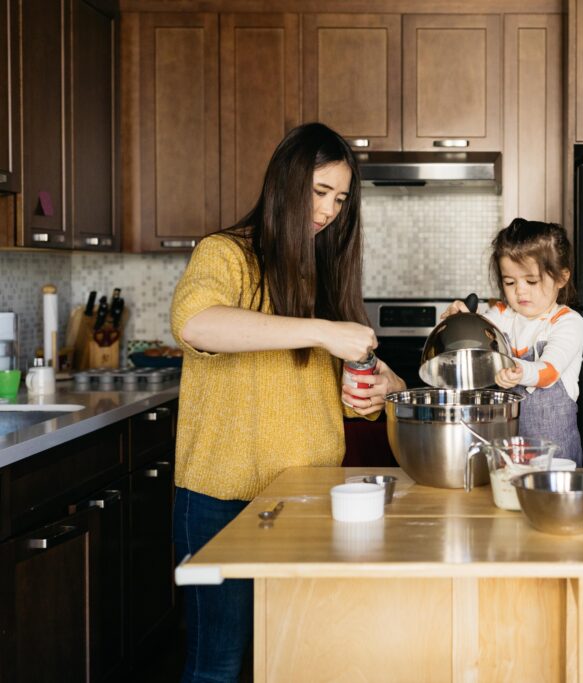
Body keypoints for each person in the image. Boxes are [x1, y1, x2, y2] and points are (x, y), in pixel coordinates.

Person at [170, 122, 405, 683]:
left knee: (299, 658)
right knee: (217, 666)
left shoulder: (324, 271)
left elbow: (362, 396)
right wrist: (322, 331)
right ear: (285, 182)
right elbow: (197, 323)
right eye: (319, 192)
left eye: (340, 199)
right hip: (219, 498)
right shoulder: (224, 255)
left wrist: (382, 386)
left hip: (308, 501)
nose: (328, 211)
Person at [444, 218, 583, 465]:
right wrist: (462, 320)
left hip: (555, 459)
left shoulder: (567, 322)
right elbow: (476, 338)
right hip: (506, 454)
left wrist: (517, 371)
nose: (520, 291)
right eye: (510, 282)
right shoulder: (502, 314)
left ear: (562, 278)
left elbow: (548, 372)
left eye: (531, 281)